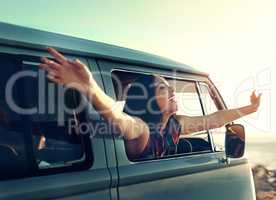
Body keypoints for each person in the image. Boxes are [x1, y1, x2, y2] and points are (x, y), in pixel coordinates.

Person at [39, 47, 262, 159]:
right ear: (148, 99)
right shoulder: (142, 130)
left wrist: (250, 108)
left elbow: (214, 120)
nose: (172, 90)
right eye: (163, 88)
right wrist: (90, 88)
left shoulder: (175, 125)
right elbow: (119, 120)